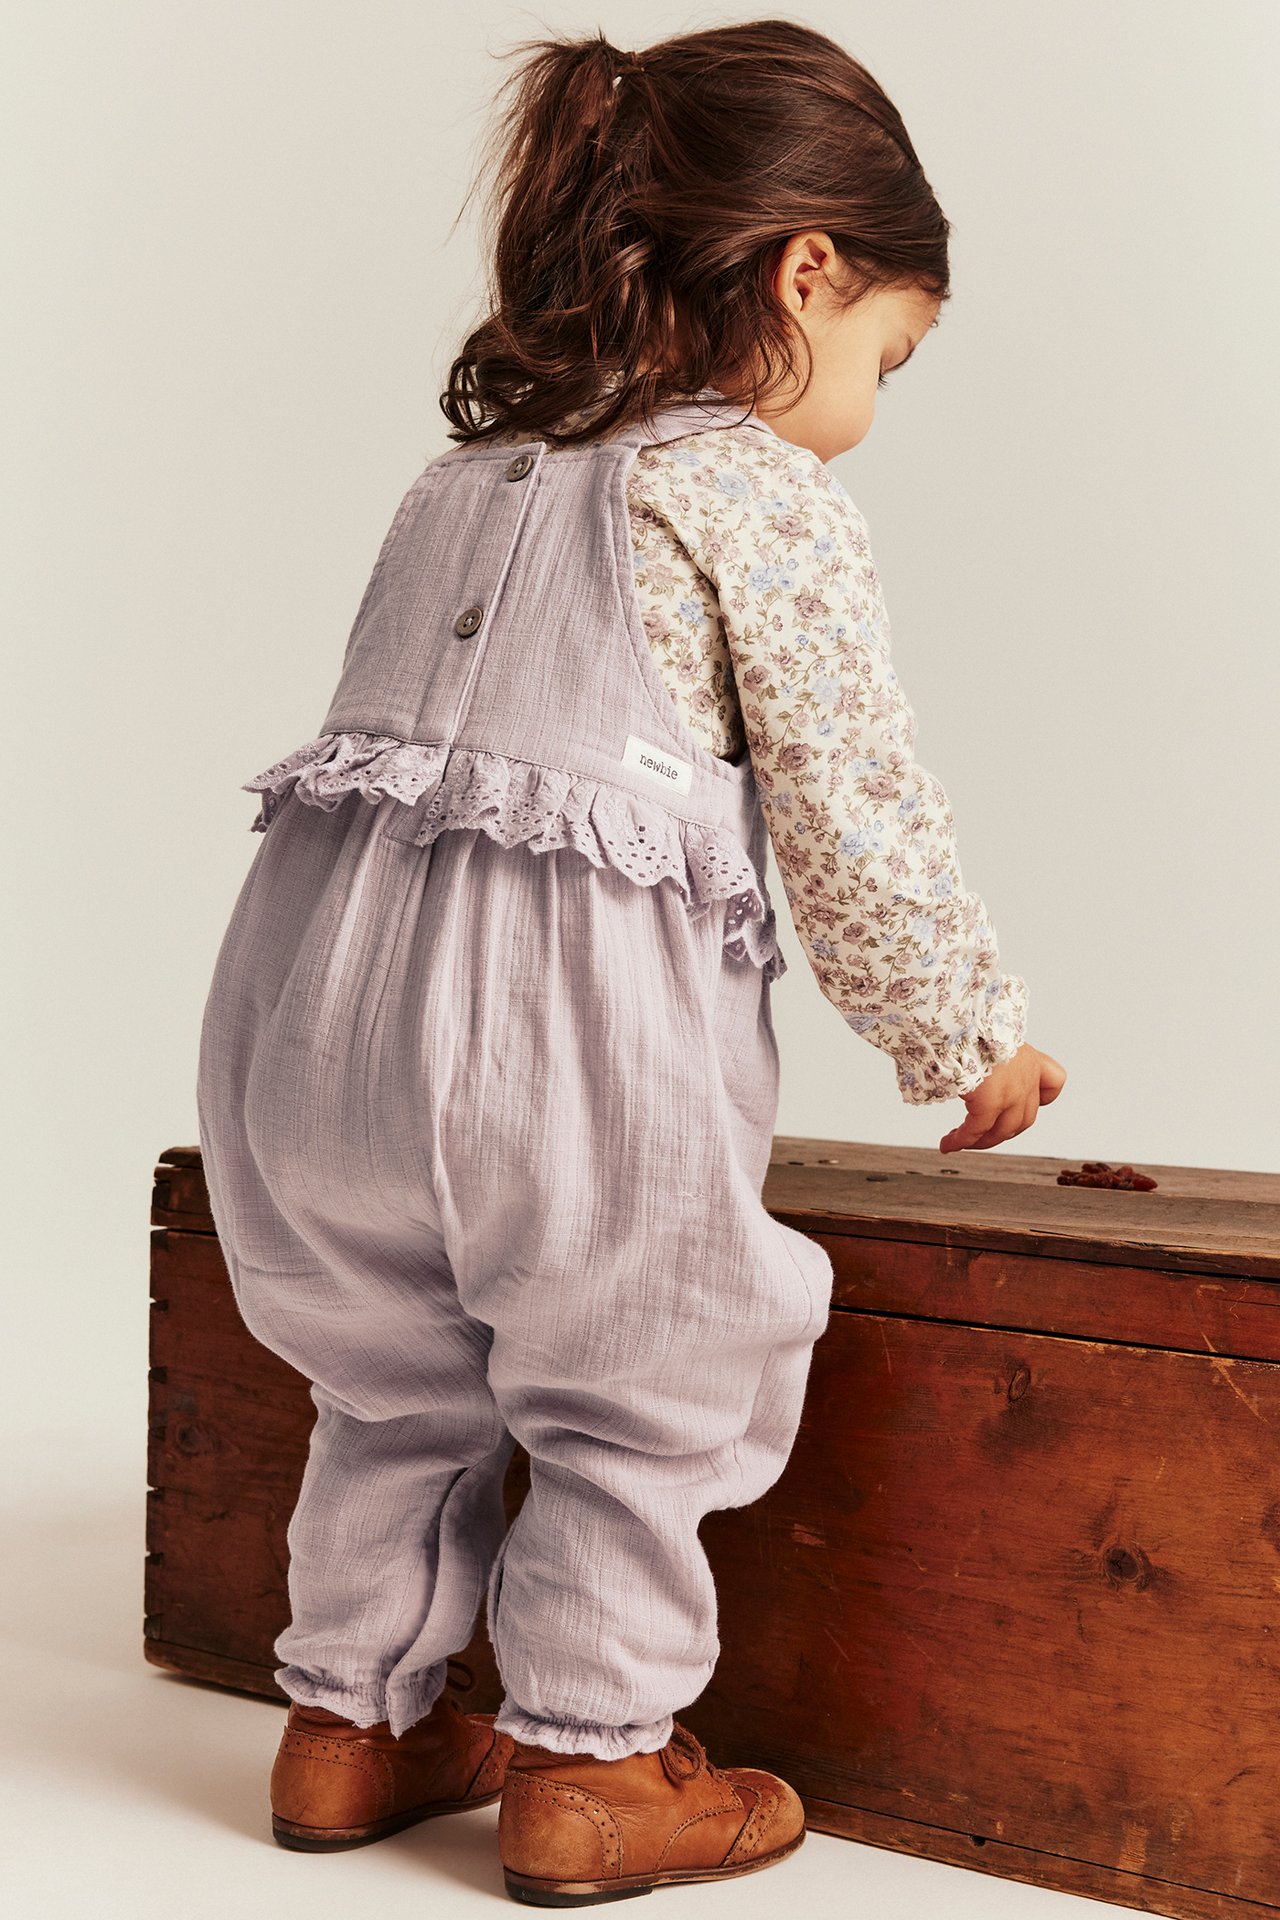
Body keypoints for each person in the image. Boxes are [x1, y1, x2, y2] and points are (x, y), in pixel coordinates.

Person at [195, 18, 1067, 1907]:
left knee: (389, 1374)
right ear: (807, 269)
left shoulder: (467, 476)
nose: (865, 403)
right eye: (884, 360)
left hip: (309, 1012)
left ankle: (352, 1724)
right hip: (553, 1028)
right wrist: (962, 1026)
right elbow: (852, 796)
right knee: (632, 1362)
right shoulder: (748, 486)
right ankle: (598, 1768)